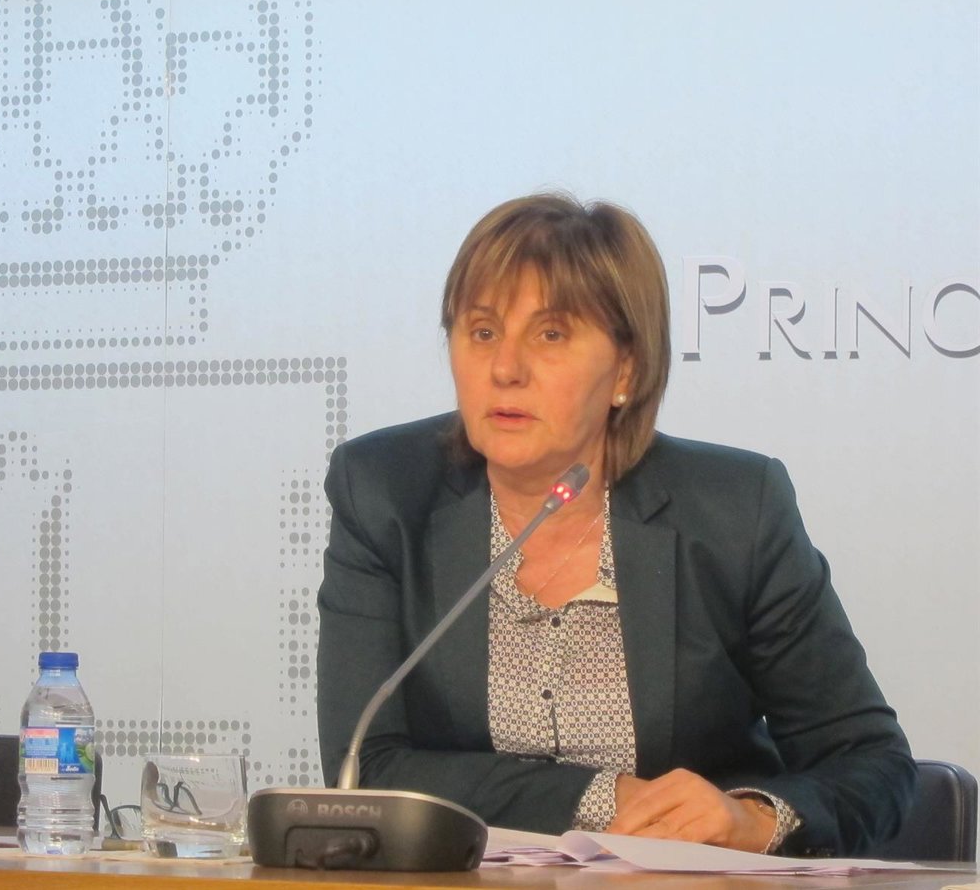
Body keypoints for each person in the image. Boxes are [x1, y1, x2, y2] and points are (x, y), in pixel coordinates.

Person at [315, 193, 914, 856]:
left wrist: (755, 821)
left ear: (626, 368)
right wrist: (607, 799)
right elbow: (366, 768)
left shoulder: (735, 511)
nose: (505, 369)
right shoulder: (384, 492)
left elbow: (869, 761)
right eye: (482, 332)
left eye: (551, 335)